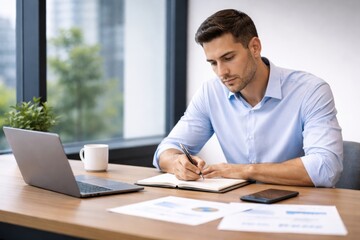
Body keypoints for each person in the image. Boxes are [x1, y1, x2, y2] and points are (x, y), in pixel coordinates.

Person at [153, 9, 343, 187]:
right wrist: (177, 163)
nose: (222, 72)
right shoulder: (210, 93)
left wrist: (244, 170)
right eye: (213, 63)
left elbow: (326, 167)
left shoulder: (310, 91)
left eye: (228, 58)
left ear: (254, 47)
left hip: (302, 207)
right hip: (238, 204)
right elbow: (165, 151)